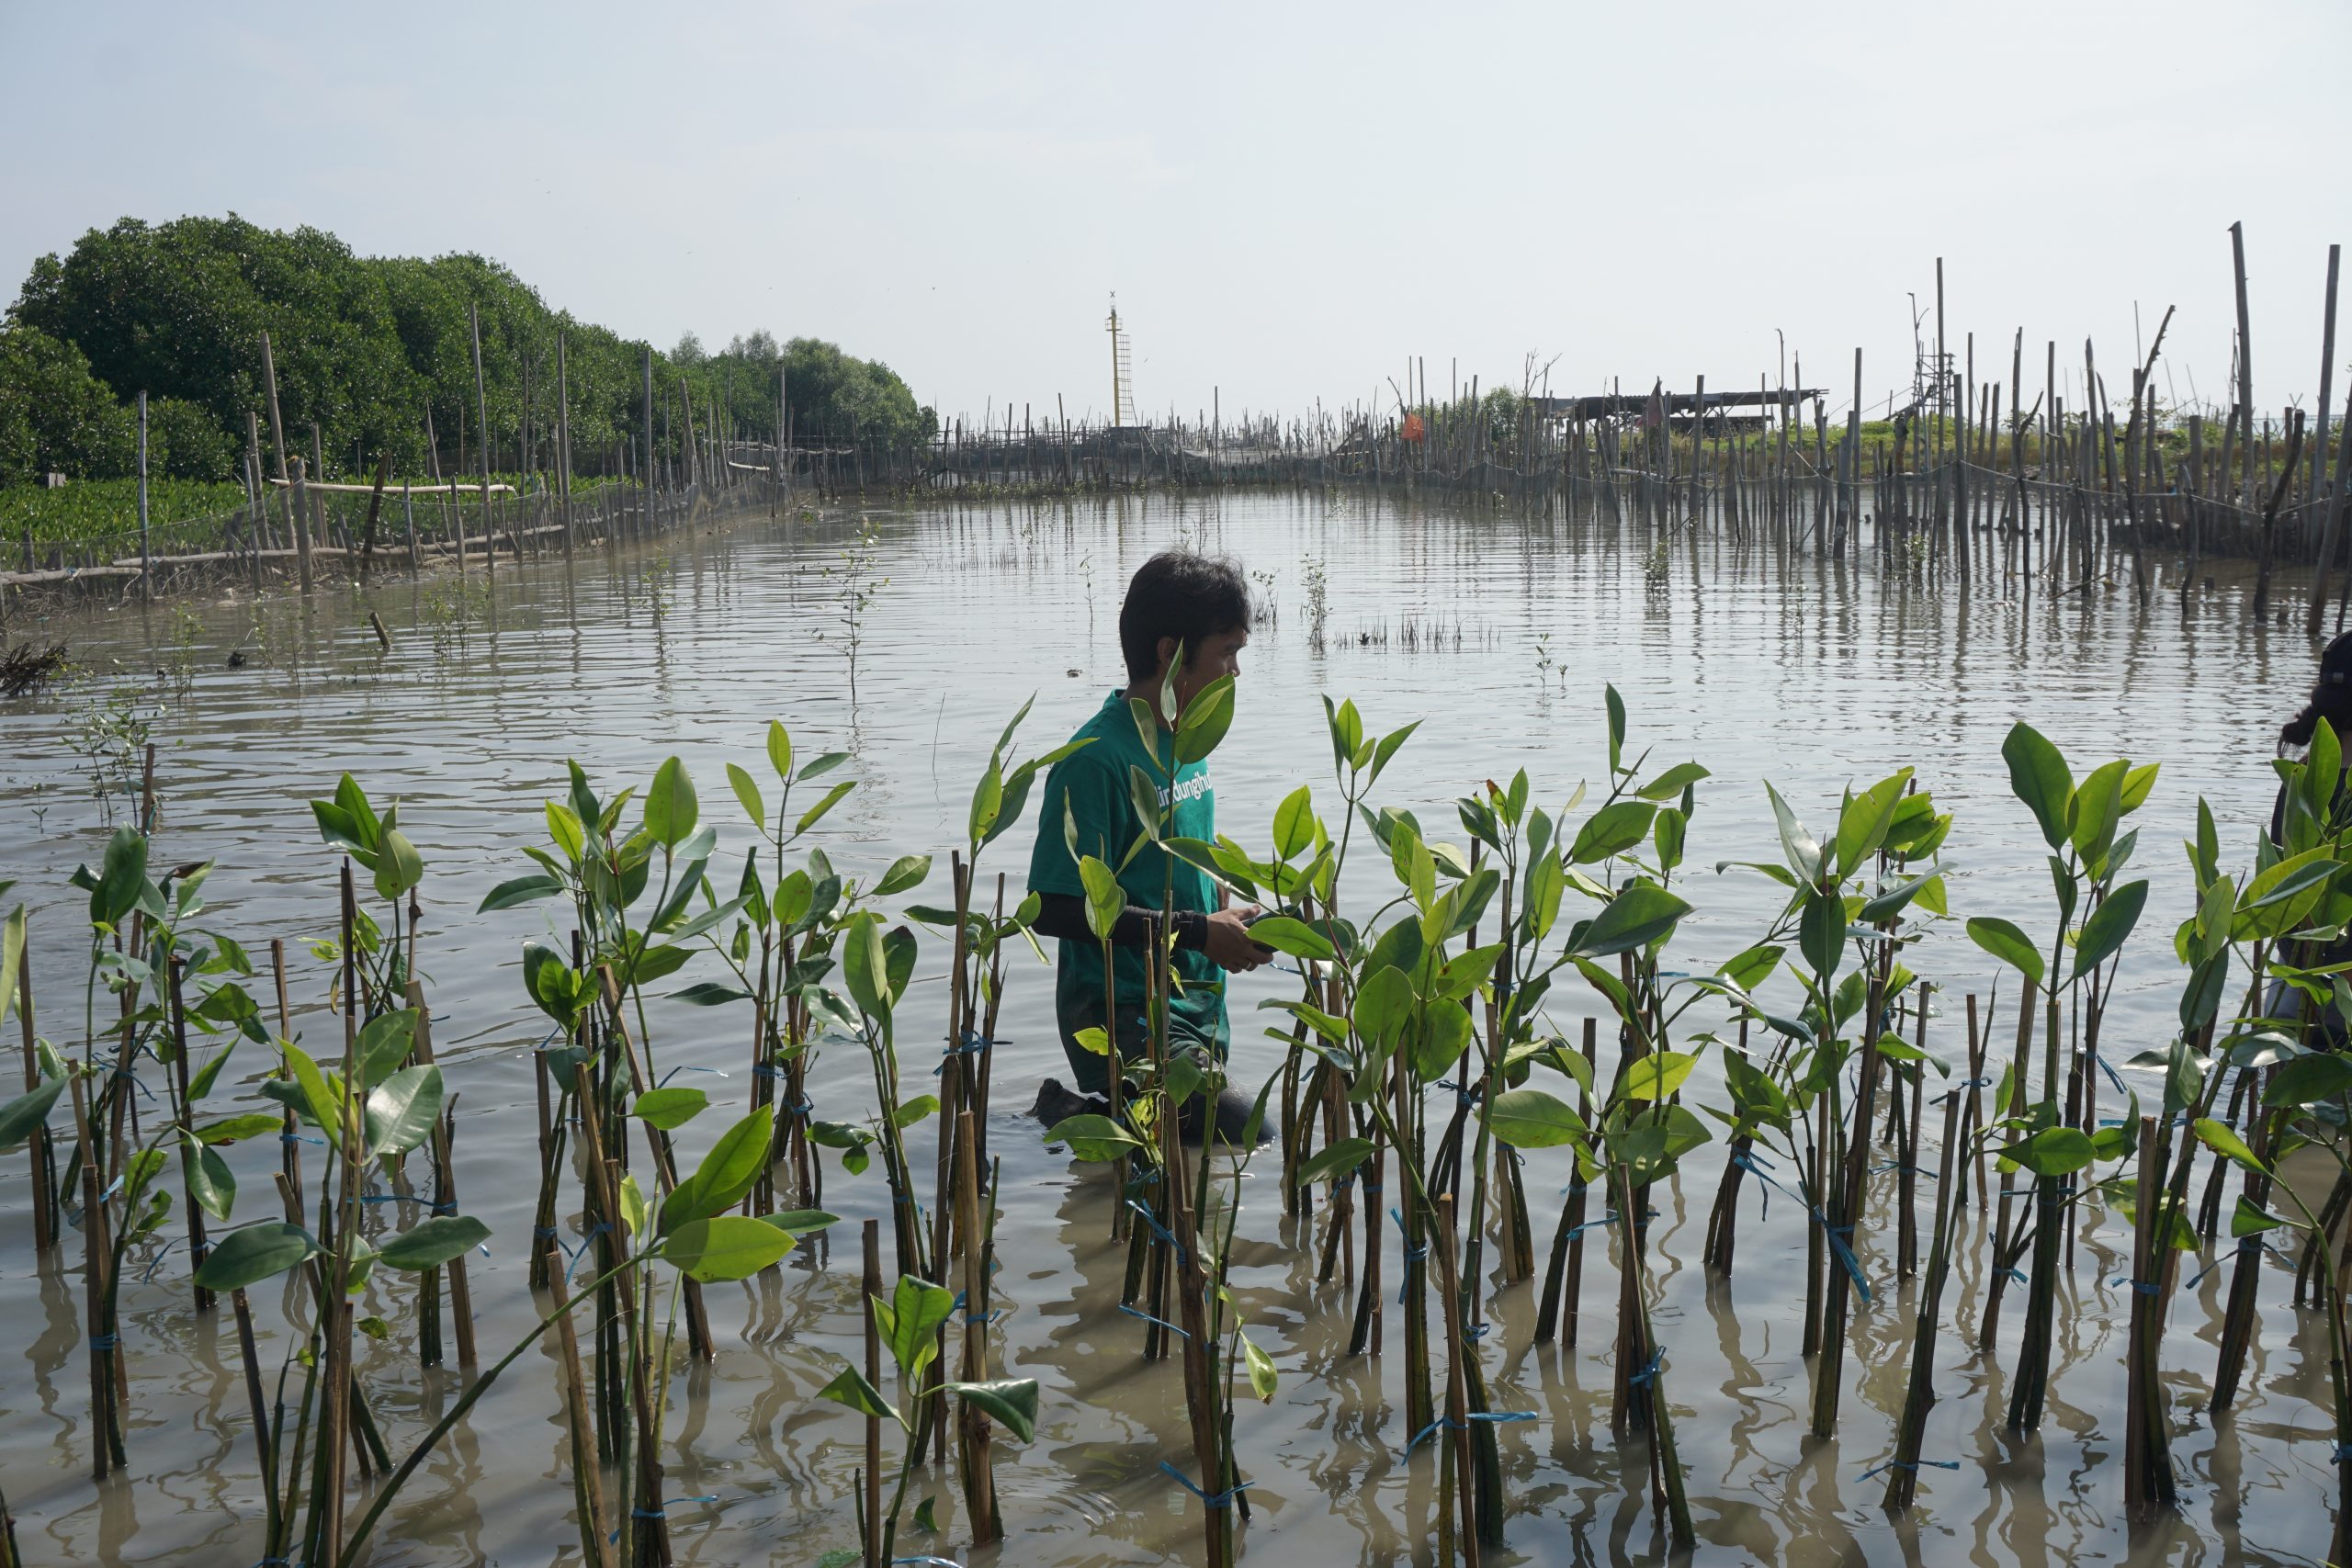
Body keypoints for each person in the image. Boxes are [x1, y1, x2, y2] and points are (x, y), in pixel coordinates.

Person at [1025, 549, 1269, 1143]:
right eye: (1227, 653)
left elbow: (1185, 866)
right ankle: (1077, 1114)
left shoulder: (1189, 741)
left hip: (1195, 1002)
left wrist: (1231, 915)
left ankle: (1098, 1122)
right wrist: (1197, 928)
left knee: (1193, 1158)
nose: (1235, 671)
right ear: (1170, 653)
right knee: (1245, 1135)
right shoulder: (1095, 760)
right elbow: (1054, 906)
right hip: (1125, 1015)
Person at [2268, 630, 2352, 1045]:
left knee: (2286, 1107)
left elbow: (2282, 883)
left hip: (2293, 979)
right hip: (2343, 999)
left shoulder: (2301, 774)